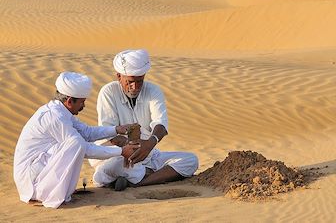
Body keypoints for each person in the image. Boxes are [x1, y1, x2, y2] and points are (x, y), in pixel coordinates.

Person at [13, 71, 139, 208]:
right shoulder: (55, 117)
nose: (83, 107)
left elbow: (87, 132)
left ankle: (54, 192)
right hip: (30, 178)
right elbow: (84, 148)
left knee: (77, 141)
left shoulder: (61, 111)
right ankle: (43, 194)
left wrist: (117, 129)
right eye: (82, 102)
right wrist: (120, 151)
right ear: (69, 101)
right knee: (76, 143)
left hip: (38, 167)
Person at [89, 49, 198, 191]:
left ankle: (139, 182)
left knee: (190, 161)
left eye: (139, 81)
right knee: (114, 166)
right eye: (130, 82)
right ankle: (138, 176)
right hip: (117, 153)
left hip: (148, 152)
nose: (135, 87)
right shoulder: (108, 92)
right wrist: (128, 147)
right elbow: (109, 131)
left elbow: (161, 124)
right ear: (118, 76)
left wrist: (150, 143)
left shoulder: (153, 90)